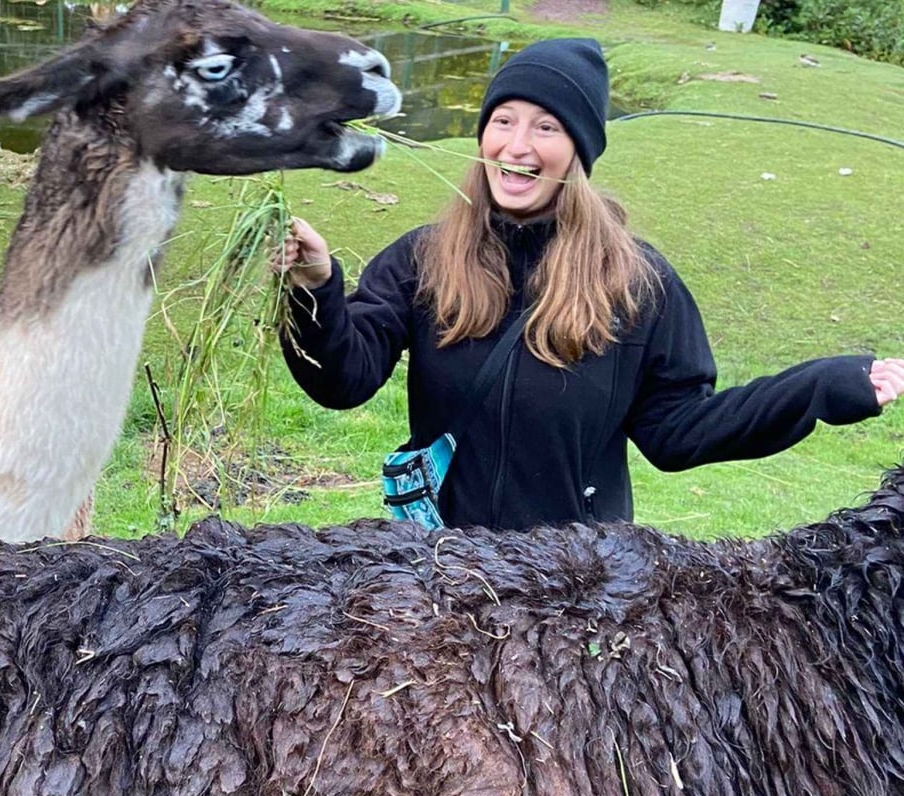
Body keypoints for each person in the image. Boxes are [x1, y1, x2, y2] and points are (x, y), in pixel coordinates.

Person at [279, 36, 904, 531]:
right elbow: (343, 380)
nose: (516, 145)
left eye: (546, 127)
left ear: (580, 149)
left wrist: (819, 387)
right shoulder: (424, 257)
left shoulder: (638, 283)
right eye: (503, 120)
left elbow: (679, 431)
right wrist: (316, 287)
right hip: (443, 572)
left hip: (574, 588)